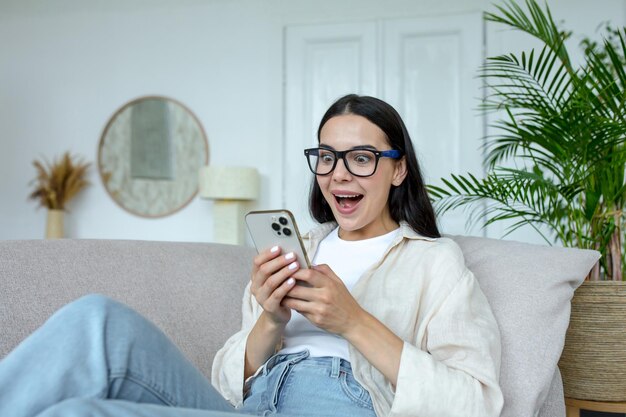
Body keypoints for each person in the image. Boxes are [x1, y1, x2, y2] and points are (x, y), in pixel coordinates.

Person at [0, 94, 503, 417]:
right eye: (326, 157)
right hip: (250, 408)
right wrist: (268, 320)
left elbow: (477, 403)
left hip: (336, 405)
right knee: (96, 320)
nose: (339, 174)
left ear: (398, 170)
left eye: (362, 157)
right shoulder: (294, 249)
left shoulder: (435, 262)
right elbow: (224, 389)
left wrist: (354, 323)